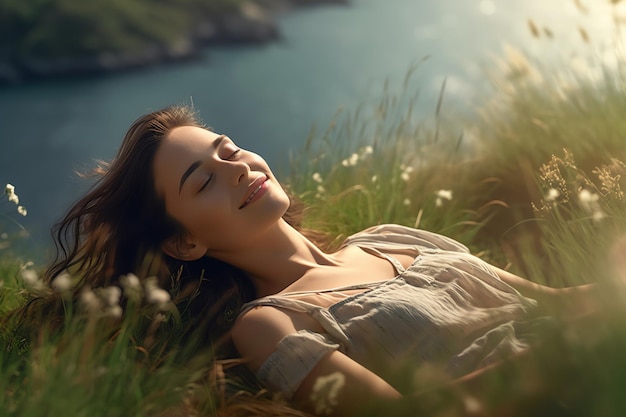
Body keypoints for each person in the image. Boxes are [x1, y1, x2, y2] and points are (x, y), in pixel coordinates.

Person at [44, 105, 596, 416]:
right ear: (185, 243)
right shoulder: (271, 323)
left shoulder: (390, 238)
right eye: (204, 181)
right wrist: (569, 355)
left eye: (229, 151)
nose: (236, 169)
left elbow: (561, 305)